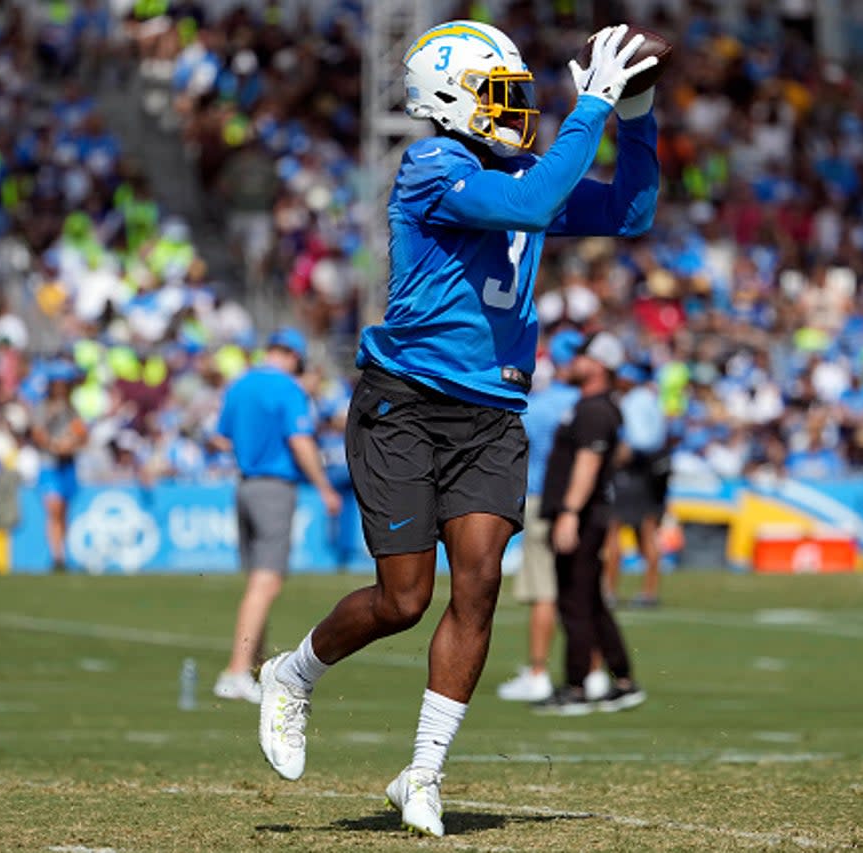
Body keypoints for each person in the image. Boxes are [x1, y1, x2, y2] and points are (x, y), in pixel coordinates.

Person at [255, 20, 660, 838]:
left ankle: (425, 773)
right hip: (405, 401)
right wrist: (592, 111)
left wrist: (638, 118)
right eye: (496, 95)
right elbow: (536, 200)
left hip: (491, 411)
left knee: (479, 582)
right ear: (447, 99)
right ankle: (292, 673)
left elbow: (631, 211)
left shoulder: (515, 169)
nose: (514, 112)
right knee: (405, 598)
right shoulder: (432, 164)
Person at [211, 329, 342, 703]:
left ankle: (254, 667)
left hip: (246, 484)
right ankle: (237, 671)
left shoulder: (238, 386)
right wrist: (323, 487)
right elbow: (300, 440)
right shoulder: (288, 389)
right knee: (266, 583)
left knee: (257, 582)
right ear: (294, 358)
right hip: (274, 487)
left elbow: (221, 438)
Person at [536, 332, 647, 715]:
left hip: (581, 517)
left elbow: (588, 464)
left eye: (583, 356)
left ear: (598, 364)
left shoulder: (595, 410)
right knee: (592, 602)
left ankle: (576, 686)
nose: (575, 362)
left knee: (575, 601)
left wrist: (568, 511)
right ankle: (623, 680)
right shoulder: (590, 406)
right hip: (583, 514)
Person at [497, 328, 609, 703]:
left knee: (544, 591)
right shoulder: (589, 402)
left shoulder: (543, 404)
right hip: (589, 504)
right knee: (583, 592)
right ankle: (593, 672)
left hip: (548, 500)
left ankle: (539, 672)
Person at [602, 361, 670, 608]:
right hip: (650, 472)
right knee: (648, 529)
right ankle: (649, 591)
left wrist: (619, 453)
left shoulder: (633, 402)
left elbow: (638, 440)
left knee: (614, 529)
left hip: (632, 472)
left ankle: (609, 590)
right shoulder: (650, 399)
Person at [31, 362, 88, 573]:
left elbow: (82, 435)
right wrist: (55, 446)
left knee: (64, 511)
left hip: (68, 465)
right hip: (49, 464)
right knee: (53, 509)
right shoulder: (43, 408)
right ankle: (57, 556)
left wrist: (70, 444)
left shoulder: (72, 410)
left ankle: (61, 553)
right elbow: (38, 434)